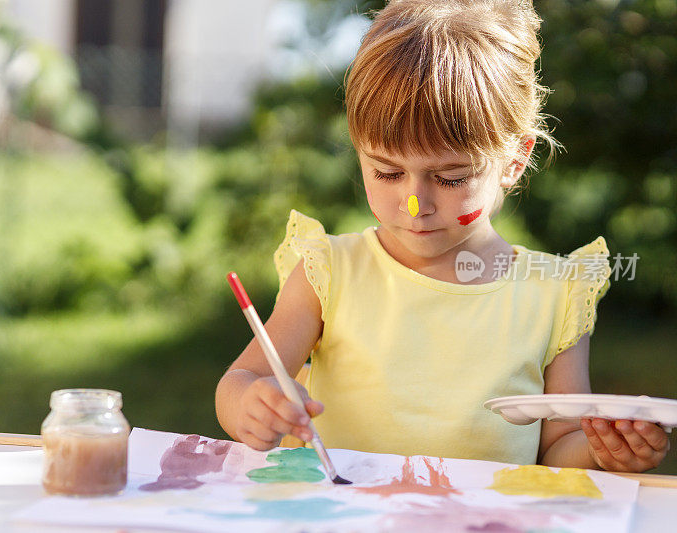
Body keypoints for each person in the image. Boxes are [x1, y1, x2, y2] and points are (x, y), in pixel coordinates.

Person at [215, 0, 670, 472]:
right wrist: (251, 403)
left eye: (451, 177)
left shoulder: (554, 293)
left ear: (514, 160)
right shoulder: (328, 273)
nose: (416, 204)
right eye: (387, 172)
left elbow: (559, 449)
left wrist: (606, 449)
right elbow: (241, 379)